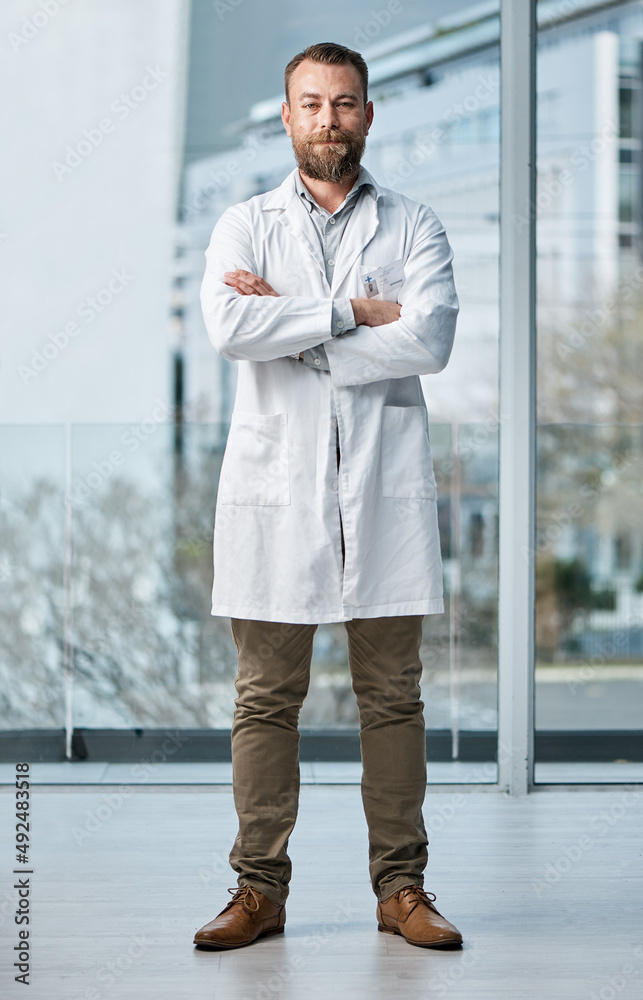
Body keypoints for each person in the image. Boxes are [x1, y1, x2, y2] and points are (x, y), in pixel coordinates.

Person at [194, 42, 462, 951]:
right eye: (311, 104)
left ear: (367, 115)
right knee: (265, 696)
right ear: (286, 116)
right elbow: (231, 325)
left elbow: (428, 343)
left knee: (392, 698)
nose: (328, 120)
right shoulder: (244, 224)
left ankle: (402, 890)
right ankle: (257, 891)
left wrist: (295, 327)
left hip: (380, 497)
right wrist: (350, 312)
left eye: (344, 104)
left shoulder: (414, 225)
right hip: (276, 497)